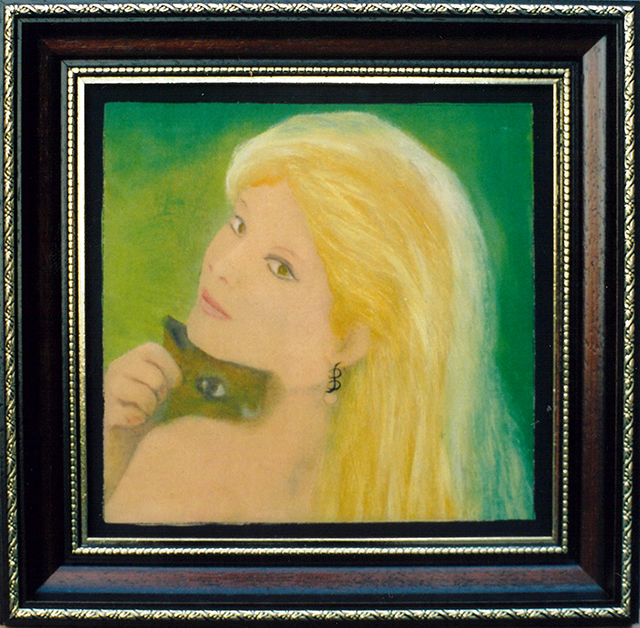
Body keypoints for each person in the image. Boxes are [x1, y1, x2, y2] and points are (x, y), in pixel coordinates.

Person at [103, 111, 533, 524]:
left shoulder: (180, 466)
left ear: (348, 341)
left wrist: (121, 458)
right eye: (239, 225)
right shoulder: (405, 494)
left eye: (280, 268)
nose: (224, 266)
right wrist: (118, 448)